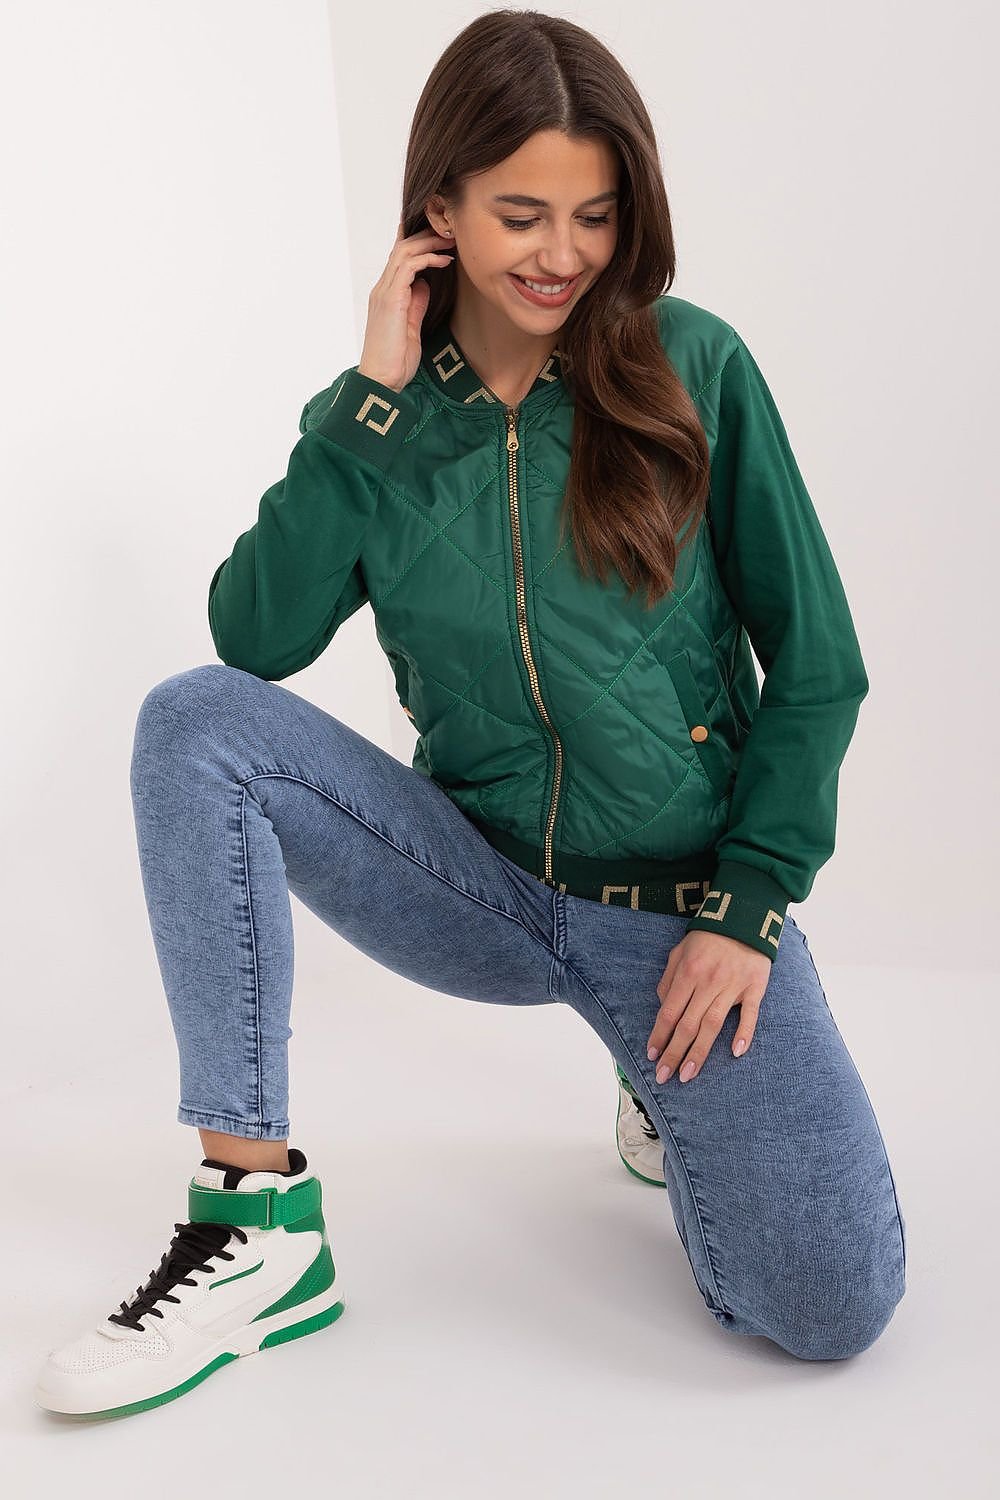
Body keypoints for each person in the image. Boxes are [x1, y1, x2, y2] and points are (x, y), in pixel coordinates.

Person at [34, 9, 907, 1419]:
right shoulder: (384, 417)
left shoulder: (693, 366)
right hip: (476, 884)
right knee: (196, 723)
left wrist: (748, 905)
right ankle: (255, 1226)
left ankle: (654, 1089)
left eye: (595, 216)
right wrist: (369, 400)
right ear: (439, 206)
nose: (563, 254)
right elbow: (253, 638)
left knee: (830, 1307)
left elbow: (820, 662)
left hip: (677, 918)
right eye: (520, 215)